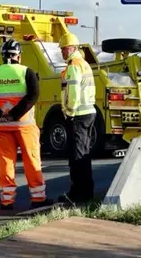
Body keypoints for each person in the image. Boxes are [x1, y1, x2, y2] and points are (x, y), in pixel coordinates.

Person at [0, 39, 52, 210]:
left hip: (2, 126)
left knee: (6, 162)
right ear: (19, 56)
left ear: (3, 57)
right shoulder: (27, 72)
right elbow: (33, 95)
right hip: (24, 125)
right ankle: (38, 198)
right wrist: (16, 114)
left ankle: (7, 200)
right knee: (31, 160)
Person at [58, 33, 97, 205]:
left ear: (72, 48)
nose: (62, 52)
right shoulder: (84, 63)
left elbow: (72, 93)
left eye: (64, 48)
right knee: (84, 153)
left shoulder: (74, 66)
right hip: (88, 112)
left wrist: (70, 113)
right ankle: (86, 192)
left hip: (79, 115)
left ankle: (78, 194)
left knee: (76, 155)